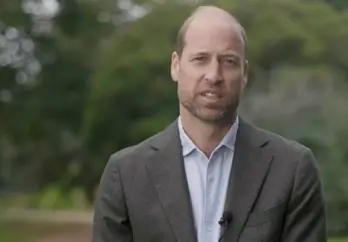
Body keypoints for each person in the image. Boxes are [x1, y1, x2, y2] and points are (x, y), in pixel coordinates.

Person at [92, 5, 326, 242]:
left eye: (229, 61)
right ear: (176, 65)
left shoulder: (292, 168)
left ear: (244, 73)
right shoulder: (125, 174)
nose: (214, 75)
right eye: (200, 59)